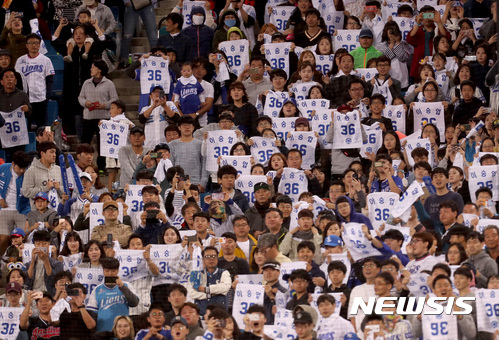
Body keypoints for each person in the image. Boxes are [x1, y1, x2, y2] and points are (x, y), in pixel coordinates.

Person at [87, 257, 139, 332]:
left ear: (118, 270)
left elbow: (134, 303)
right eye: (107, 271)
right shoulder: (97, 289)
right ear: (103, 271)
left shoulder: (127, 285)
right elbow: (92, 314)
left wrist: (122, 287)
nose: (110, 274)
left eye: (113, 271)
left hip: (122, 332)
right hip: (103, 332)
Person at [14, 33, 54, 128]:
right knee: (25, 126)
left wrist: (47, 96)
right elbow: (17, 79)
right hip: (24, 99)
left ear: (40, 44)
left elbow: (50, 80)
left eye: (36, 43)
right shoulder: (20, 60)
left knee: (41, 126)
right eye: (31, 43)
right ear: (26, 45)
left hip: (40, 98)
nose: (34, 45)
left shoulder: (46, 60)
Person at [78, 59, 118, 151]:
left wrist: (105, 105)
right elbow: (80, 98)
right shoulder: (86, 83)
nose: (91, 69)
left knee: (102, 145)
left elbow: (115, 99)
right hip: (88, 118)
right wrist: (85, 103)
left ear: (99, 69)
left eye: (93, 67)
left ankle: (101, 165)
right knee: (85, 143)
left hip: (103, 118)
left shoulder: (109, 83)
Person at [0, 150, 31, 254]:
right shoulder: (3, 168)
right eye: (20, 168)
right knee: (3, 239)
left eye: (24, 168)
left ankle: (21, 263)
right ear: (13, 164)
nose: (22, 171)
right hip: (5, 210)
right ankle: (2, 262)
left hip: (22, 210)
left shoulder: (28, 174)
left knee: (23, 238)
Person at [187, 246, 231, 315]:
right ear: (203, 260)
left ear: (217, 258)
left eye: (213, 256)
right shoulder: (196, 274)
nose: (211, 259)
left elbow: (225, 288)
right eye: (207, 256)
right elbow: (192, 293)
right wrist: (213, 294)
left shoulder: (224, 273)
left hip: (220, 315)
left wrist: (205, 289)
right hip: (201, 315)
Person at [169, 116, 208, 192]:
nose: (187, 128)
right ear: (179, 128)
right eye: (184, 125)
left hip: (196, 184)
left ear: (193, 127)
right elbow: (170, 165)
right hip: (178, 184)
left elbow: (204, 164)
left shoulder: (201, 144)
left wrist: (203, 184)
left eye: (189, 125)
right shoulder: (172, 145)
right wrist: (173, 183)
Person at [119, 0, 158, 68]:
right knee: (127, 35)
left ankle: (156, 58)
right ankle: (124, 60)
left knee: (153, 35)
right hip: (131, 5)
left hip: (147, 5)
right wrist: (126, 1)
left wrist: (152, 1)